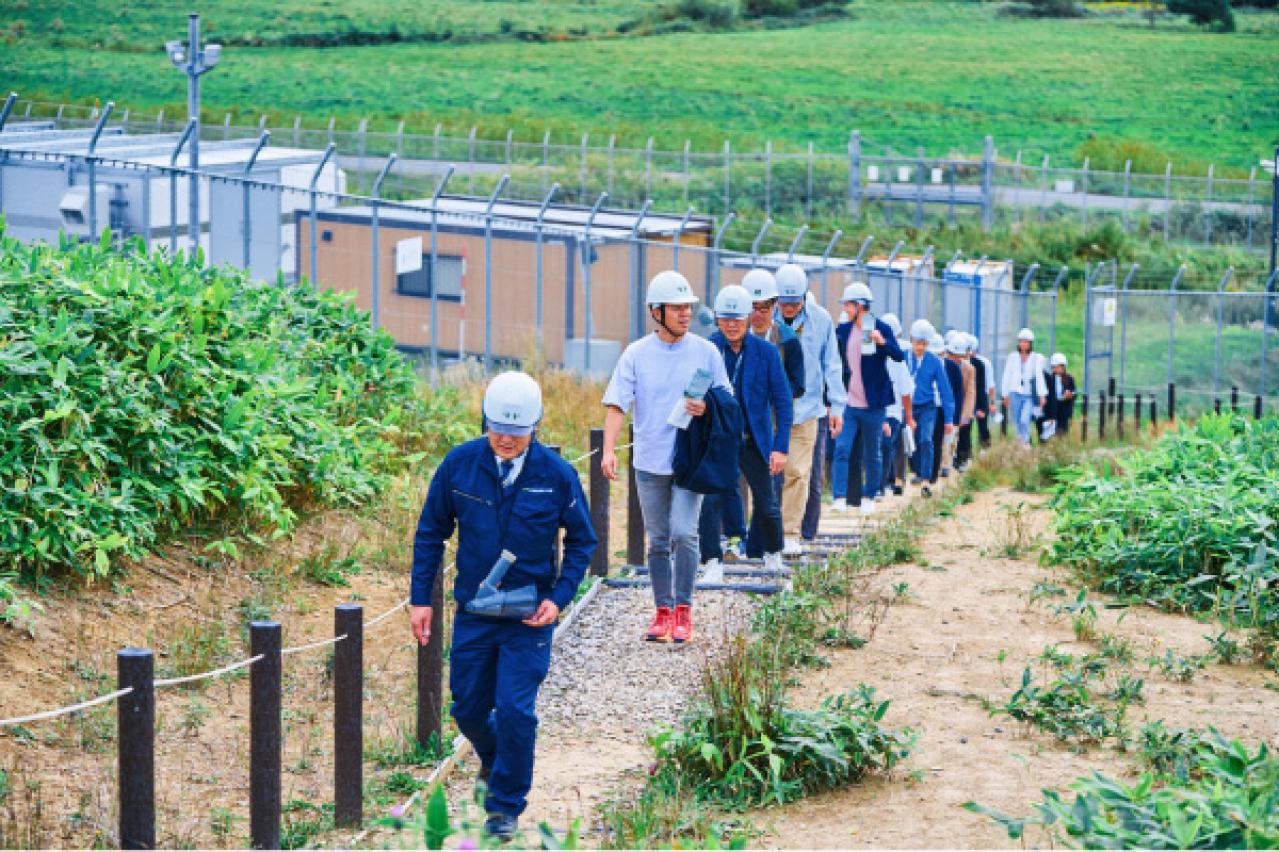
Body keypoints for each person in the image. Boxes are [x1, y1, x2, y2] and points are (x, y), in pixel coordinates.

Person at [410, 372, 597, 842]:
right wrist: (420, 600)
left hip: (529, 616)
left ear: (535, 427)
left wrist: (559, 598)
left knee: (516, 709)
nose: (506, 440)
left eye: (517, 432)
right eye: (497, 429)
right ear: (484, 421)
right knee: (468, 708)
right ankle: (497, 760)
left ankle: (504, 804)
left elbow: (582, 542)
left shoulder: (556, 475)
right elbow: (432, 532)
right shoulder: (459, 465)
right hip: (475, 611)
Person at [600, 270, 731, 645]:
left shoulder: (706, 352)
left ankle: (685, 611)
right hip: (649, 460)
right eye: (677, 308)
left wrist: (707, 407)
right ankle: (663, 611)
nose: (685, 314)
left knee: (684, 533)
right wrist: (608, 451)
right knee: (658, 540)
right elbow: (616, 405)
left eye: (688, 307)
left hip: (691, 462)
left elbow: (726, 397)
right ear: (657, 312)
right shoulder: (636, 354)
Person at [698, 285, 792, 575]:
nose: (731, 325)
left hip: (755, 438)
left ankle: (774, 553)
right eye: (725, 319)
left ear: (748, 319)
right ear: (717, 319)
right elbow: (694, 392)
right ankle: (712, 559)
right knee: (711, 500)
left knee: (767, 501)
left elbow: (783, 401)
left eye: (737, 319)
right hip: (718, 440)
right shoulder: (708, 348)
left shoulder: (766, 352)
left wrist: (780, 446)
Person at [772, 263, 845, 554]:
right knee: (771, 473)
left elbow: (832, 364)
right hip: (774, 409)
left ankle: (794, 533)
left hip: (809, 408)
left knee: (802, 473)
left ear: (805, 296)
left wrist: (837, 406)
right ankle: (769, 532)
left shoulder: (821, 320)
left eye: (795, 301)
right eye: (784, 301)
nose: (789, 307)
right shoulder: (768, 319)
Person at [830, 282, 905, 515]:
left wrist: (882, 341)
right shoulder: (842, 330)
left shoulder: (880, 327)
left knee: (873, 453)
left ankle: (869, 495)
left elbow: (899, 355)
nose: (844, 308)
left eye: (847, 304)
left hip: (873, 405)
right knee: (842, 448)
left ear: (860, 305)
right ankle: (839, 497)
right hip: (847, 404)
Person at [905, 320, 954, 498]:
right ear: (911, 340)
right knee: (909, 442)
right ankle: (911, 473)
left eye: (925, 343)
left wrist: (948, 419)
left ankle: (926, 480)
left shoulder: (934, 361)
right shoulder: (904, 357)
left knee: (926, 439)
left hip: (927, 407)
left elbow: (945, 391)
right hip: (907, 405)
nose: (921, 346)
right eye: (918, 342)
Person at [878, 313, 915, 497]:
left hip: (892, 412)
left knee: (886, 446)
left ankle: (883, 484)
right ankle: (880, 483)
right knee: (879, 447)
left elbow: (906, 391)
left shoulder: (897, 359)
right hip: (874, 409)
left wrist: (908, 416)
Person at [1001, 327, 1048, 447]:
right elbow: (1007, 375)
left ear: (1030, 343)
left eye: (1026, 341)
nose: (1023, 344)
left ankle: (1026, 441)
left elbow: (1039, 377)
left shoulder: (1036, 358)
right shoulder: (1013, 357)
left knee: (1024, 419)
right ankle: (1021, 443)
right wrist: (1005, 394)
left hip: (1029, 395)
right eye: (1021, 341)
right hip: (1015, 392)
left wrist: (1042, 395)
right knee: (1017, 421)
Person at [968, 334, 993, 452]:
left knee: (982, 424)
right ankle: (967, 452)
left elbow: (987, 385)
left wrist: (988, 404)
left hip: (982, 396)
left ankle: (985, 448)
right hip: (969, 398)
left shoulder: (982, 363)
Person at [1044, 352, 1077, 439]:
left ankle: (1060, 446)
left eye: (1058, 367)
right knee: (1052, 432)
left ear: (1063, 367)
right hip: (1054, 408)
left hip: (1064, 408)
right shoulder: (1050, 379)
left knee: (1062, 431)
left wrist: (1070, 395)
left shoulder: (1069, 379)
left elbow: (1074, 392)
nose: (1056, 369)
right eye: (1054, 367)